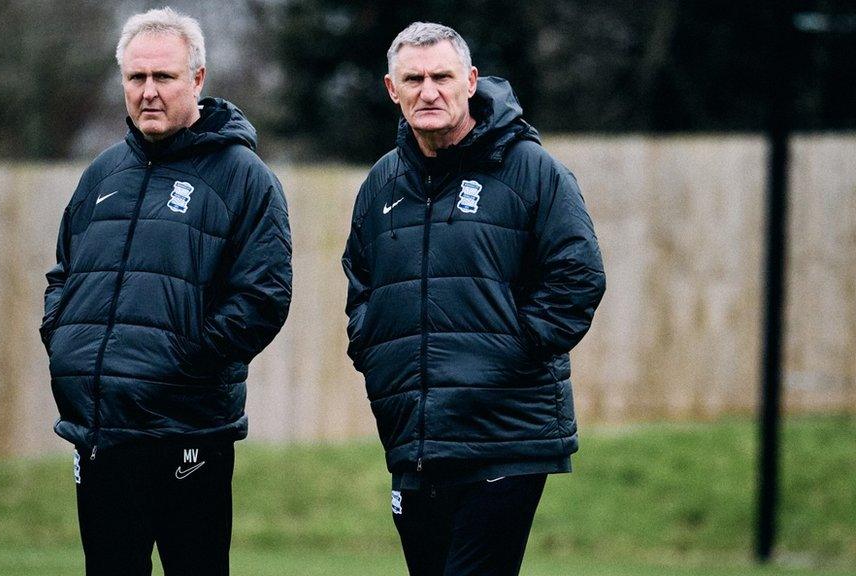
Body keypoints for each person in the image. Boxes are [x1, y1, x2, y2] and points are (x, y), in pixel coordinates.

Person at [342, 22, 605, 576]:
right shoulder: (381, 184)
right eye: (413, 79)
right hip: (416, 440)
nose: (428, 91)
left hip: (505, 438)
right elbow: (361, 285)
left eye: (442, 76)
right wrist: (372, 347)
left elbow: (577, 278)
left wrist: (512, 351)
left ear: (471, 82)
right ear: (393, 89)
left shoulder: (533, 170)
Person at [39, 7, 291, 575]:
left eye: (164, 77)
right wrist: (63, 341)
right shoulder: (102, 175)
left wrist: (178, 363)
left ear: (197, 79)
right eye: (136, 78)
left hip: (187, 431)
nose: (148, 91)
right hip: (101, 430)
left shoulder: (243, 177)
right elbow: (63, 275)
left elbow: (263, 298)